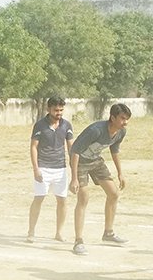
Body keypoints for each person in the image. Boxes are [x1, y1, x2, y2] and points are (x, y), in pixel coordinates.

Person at [68, 102, 132, 256]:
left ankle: (108, 233)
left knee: (114, 193)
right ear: (112, 118)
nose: (125, 122)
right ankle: (78, 241)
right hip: (80, 162)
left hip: (95, 161)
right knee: (83, 198)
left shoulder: (121, 132)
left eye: (127, 119)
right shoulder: (95, 130)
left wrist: (120, 173)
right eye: (122, 118)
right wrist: (74, 178)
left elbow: (114, 150)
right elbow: (75, 151)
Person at [27, 96, 74, 243]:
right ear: (48, 109)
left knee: (62, 200)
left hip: (60, 168)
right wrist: (36, 169)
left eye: (61, 110)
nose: (59, 113)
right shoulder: (40, 125)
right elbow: (33, 147)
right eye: (56, 110)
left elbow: (71, 147)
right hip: (43, 167)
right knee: (39, 198)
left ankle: (59, 233)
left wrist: (74, 169)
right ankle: (31, 231)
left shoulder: (66, 125)